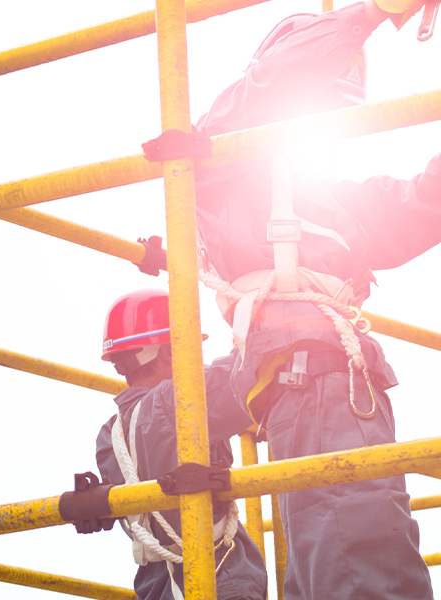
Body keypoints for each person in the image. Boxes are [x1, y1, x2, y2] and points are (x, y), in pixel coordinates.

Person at [190, 2, 441, 598]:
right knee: (362, 567)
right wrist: (374, 11)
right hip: (314, 379)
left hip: (332, 381)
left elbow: (414, 204)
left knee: (342, 561)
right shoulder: (224, 147)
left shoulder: (318, 204)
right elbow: (274, 83)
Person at [92, 289, 265, 600]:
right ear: (171, 352)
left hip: (157, 587)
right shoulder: (178, 401)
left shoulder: (110, 435)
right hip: (214, 581)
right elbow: (249, 374)